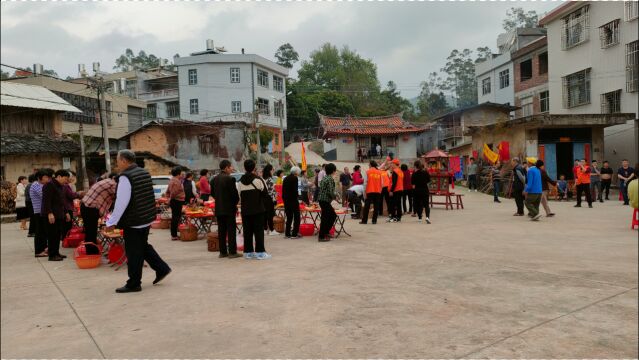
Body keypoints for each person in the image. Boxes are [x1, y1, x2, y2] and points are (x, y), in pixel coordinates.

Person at [105, 150, 172, 293]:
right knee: (142, 246)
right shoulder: (144, 172)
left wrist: (111, 222)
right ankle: (162, 268)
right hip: (145, 217)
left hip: (134, 220)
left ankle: (134, 283)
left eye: (117, 161)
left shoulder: (125, 177)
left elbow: (121, 202)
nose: (117, 164)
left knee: (134, 252)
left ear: (123, 160)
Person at [238, 160, 272, 259]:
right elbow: (266, 194)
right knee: (259, 232)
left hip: (245, 211)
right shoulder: (259, 180)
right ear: (254, 168)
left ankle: (248, 253)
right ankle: (260, 252)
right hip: (258, 210)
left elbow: (239, 196)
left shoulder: (239, 182)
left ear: (244, 168)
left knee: (247, 232)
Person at [81, 173, 118, 255]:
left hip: (86, 206)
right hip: (90, 208)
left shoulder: (107, 181)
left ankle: (93, 251)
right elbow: (120, 198)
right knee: (91, 232)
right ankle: (91, 253)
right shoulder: (113, 185)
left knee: (90, 231)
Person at [212, 160, 241, 258]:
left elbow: (212, 193)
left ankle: (223, 252)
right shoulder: (230, 179)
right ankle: (232, 252)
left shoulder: (214, 179)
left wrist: (219, 199)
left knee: (221, 230)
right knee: (231, 230)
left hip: (219, 208)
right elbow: (235, 195)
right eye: (230, 167)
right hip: (229, 208)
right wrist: (235, 203)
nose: (231, 169)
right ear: (226, 168)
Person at [42, 169, 70, 261]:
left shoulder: (60, 186)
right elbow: (46, 201)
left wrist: (66, 212)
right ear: (58, 177)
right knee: (52, 235)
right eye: (65, 179)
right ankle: (52, 255)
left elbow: (62, 201)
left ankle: (56, 252)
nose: (66, 181)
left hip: (59, 214)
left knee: (58, 235)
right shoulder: (49, 185)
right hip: (51, 215)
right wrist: (49, 213)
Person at [30, 168, 53, 257]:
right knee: (39, 232)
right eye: (46, 177)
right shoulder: (35, 185)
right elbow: (45, 195)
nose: (48, 179)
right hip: (38, 212)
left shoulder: (42, 185)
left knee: (43, 232)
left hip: (42, 211)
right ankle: (39, 251)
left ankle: (44, 248)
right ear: (40, 178)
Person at [317, 163, 337, 242]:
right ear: (333, 171)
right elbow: (330, 191)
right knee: (326, 217)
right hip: (325, 200)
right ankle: (321, 236)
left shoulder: (325, 178)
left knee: (332, 215)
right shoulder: (330, 179)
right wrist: (335, 197)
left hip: (322, 200)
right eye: (335, 170)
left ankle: (325, 232)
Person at [165, 166, 185, 241]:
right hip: (176, 201)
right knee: (176, 218)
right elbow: (173, 192)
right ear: (178, 174)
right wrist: (170, 198)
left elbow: (168, 191)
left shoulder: (172, 180)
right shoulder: (176, 181)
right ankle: (174, 235)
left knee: (175, 217)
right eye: (181, 173)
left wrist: (168, 197)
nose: (181, 175)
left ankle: (174, 234)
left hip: (175, 201)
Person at [360, 160, 382, 225]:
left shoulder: (367, 172)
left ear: (370, 165)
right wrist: (380, 191)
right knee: (376, 206)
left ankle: (364, 221)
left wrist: (364, 193)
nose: (368, 166)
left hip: (369, 191)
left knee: (367, 206)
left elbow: (365, 184)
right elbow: (382, 183)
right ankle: (374, 221)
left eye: (369, 165)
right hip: (377, 191)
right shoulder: (379, 172)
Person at [62, 171, 82, 240]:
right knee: (67, 224)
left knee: (66, 224)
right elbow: (71, 195)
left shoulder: (65, 185)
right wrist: (79, 194)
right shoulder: (66, 186)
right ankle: (66, 238)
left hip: (66, 206)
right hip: (67, 207)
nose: (73, 178)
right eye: (72, 177)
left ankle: (65, 237)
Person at [282, 166, 302, 238]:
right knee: (297, 217)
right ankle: (294, 233)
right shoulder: (295, 178)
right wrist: (298, 199)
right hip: (293, 200)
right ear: (296, 172)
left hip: (286, 200)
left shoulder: (286, 178)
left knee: (289, 217)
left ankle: (287, 233)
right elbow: (295, 190)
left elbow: (283, 190)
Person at [261, 164, 278, 236]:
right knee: (270, 214)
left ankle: (264, 229)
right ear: (270, 171)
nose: (273, 171)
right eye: (272, 170)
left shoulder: (262, 178)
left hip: (263, 199)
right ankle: (271, 230)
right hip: (269, 199)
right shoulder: (270, 179)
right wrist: (274, 200)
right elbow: (271, 192)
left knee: (264, 214)